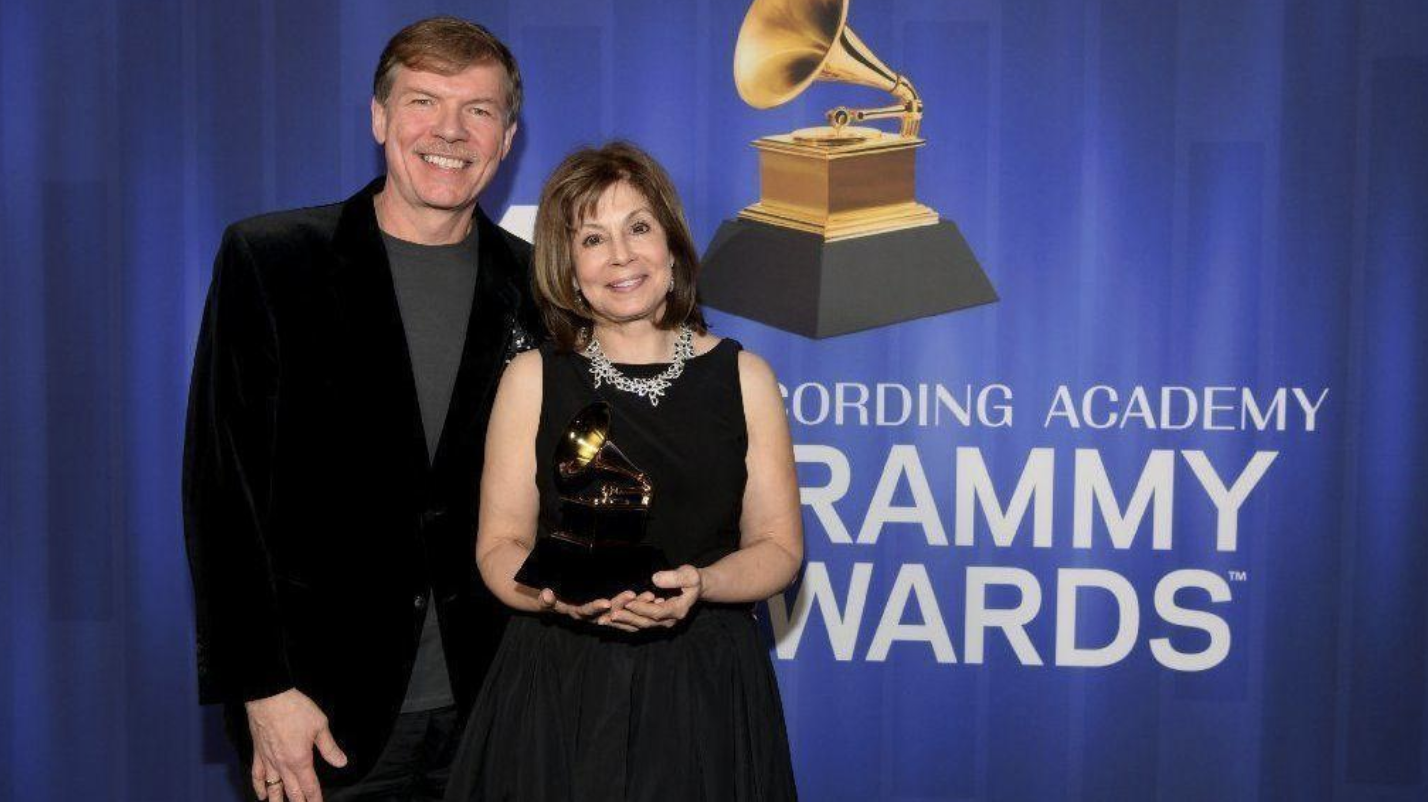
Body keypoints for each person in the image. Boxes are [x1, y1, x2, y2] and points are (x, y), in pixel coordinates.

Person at [182, 17, 540, 802]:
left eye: (478, 111)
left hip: (501, 714)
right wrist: (264, 690)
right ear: (379, 117)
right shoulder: (271, 260)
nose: (450, 131)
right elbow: (222, 495)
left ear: (507, 138)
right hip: (324, 720)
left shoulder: (540, 287)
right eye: (423, 102)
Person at [443, 141, 802, 801]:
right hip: (559, 687)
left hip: (706, 685)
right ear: (570, 269)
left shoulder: (745, 377)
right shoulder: (531, 379)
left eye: (638, 227)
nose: (621, 256)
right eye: (592, 238)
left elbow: (779, 549)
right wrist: (556, 595)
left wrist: (702, 582)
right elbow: (499, 546)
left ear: (670, 245)